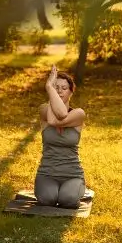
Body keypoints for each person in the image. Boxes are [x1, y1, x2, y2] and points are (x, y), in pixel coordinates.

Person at [34, 64, 87, 208]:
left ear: (71, 92)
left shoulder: (79, 114)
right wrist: (51, 91)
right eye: (56, 87)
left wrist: (49, 87)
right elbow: (52, 118)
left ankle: (75, 188)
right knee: (47, 200)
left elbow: (58, 117)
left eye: (64, 88)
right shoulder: (43, 109)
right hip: (47, 173)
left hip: (72, 174)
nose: (59, 91)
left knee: (68, 200)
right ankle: (50, 189)